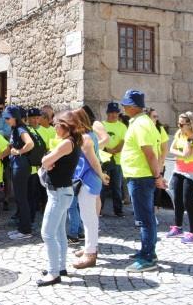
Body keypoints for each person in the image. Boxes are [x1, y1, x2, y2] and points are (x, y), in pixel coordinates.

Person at [120, 89, 165, 273]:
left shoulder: (140, 124)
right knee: (145, 217)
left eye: (125, 104)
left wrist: (157, 176)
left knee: (145, 219)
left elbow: (150, 153)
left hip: (140, 177)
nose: (123, 107)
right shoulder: (142, 122)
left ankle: (148, 258)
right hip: (139, 176)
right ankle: (147, 252)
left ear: (133, 107)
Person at [37, 110, 82, 286]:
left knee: (47, 234)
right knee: (59, 232)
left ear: (64, 126)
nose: (54, 127)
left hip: (59, 193)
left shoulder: (66, 144)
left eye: (56, 124)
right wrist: (48, 161)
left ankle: (53, 272)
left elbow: (45, 161)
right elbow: (47, 161)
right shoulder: (71, 141)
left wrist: (47, 161)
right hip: (62, 192)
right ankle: (60, 266)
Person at [71, 108, 110, 269]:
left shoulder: (86, 138)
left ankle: (90, 253)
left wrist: (102, 176)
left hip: (88, 181)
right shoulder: (88, 136)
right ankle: (89, 247)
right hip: (88, 180)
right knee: (88, 217)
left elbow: (94, 162)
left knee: (89, 218)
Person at [167, 111, 193, 244]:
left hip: (191, 173)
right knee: (177, 199)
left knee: (188, 202)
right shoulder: (180, 133)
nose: (178, 127)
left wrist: (187, 145)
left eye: (181, 124)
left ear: (190, 125)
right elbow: (171, 149)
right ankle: (178, 227)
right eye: (178, 123)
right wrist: (182, 153)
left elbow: (187, 155)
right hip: (178, 170)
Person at [3, 106, 36, 240]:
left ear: (15, 117)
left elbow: (30, 144)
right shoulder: (15, 129)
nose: (5, 120)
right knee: (21, 199)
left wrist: (19, 152)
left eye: (7, 118)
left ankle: (25, 230)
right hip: (18, 167)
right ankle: (22, 228)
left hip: (21, 167)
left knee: (22, 199)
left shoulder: (21, 129)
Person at [101, 102, 128, 217]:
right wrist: (107, 150)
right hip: (104, 160)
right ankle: (99, 209)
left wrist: (113, 151)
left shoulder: (122, 126)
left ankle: (118, 210)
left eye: (116, 113)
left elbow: (123, 142)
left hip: (117, 160)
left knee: (117, 187)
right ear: (107, 113)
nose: (114, 115)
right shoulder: (101, 125)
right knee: (102, 187)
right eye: (112, 112)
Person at [147, 107, 169, 213]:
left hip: (157, 164)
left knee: (156, 190)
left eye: (156, 117)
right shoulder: (143, 130)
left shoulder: (160, 129)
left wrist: (161, 164)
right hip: (145, 166)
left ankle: (154, 211)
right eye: (153, 117)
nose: (155, 119)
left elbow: (164, 149)